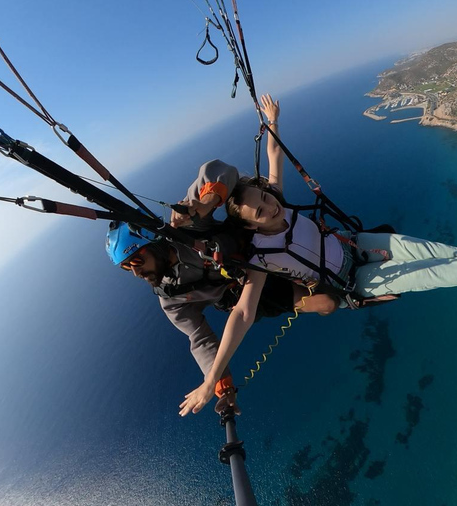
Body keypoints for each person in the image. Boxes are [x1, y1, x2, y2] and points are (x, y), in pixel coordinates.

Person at [177, 94, 457, 416]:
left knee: (433, 251)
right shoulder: (259, 256)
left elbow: (275, 156)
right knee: (428, 275)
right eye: (260, 212)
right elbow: (242, 315)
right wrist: (211, 381)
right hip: (354, 283)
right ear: (249, 227)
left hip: (355, 243)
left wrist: (273, 121)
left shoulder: (276, 200)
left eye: (264, 199)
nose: (269, 208)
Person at [106, 160, 337, 415]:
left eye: (136, 260)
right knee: (327, 303)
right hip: (248, 288)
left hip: (258, 248)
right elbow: (200, 339)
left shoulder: (186, 226)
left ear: (153, 243)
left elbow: (218, 170)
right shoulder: (171, 298)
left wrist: (205, 204)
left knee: (309, 257)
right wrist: (222, 386)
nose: (137, 272)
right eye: (127, 268)